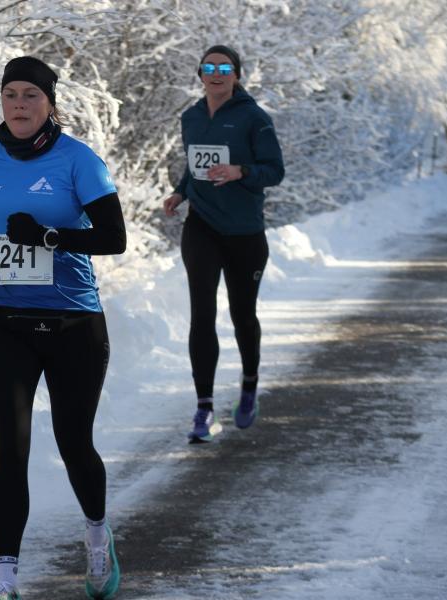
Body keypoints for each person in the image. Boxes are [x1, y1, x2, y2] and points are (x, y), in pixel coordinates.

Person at [0, 56, 126, 600]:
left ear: (49, 101)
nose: (20, 104)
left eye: (32, 94)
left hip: (73, 320)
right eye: (11, 94)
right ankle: (5, 580)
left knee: (74, 443)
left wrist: (50, 237)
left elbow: (113, 237)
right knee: (10, 449)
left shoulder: (80, 161)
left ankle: (98, 539)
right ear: (1, 101)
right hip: (7, 322)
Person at [161, 45, 285, 444]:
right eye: (209, 67)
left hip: (245, 232)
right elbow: (194, 163)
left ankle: (249, 385)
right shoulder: (191, 117)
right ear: (200, 73)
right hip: (202, 227)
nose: (216, 74)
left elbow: (274, 171)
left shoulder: (254, 118)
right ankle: (204, 409)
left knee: (242, 315)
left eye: (224, 68)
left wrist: (240, 171)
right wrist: (181, 192)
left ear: (236, 74)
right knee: (202, 314)